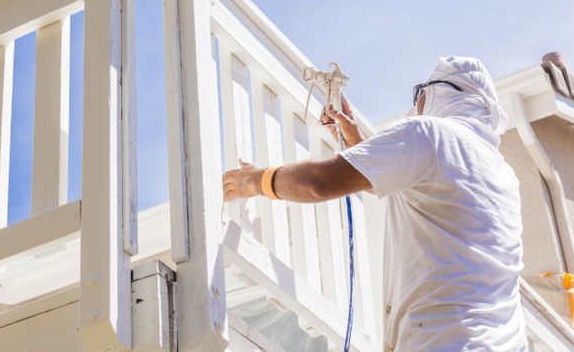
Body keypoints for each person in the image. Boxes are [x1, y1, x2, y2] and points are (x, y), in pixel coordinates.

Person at [222, 57, 526, 351]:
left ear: (434, 94)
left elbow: (319, 182)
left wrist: (257, 180)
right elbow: (420, 189)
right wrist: (359, 143)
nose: (416, 104)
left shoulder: (431, 134)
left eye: (418, 92)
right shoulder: (503, 175)